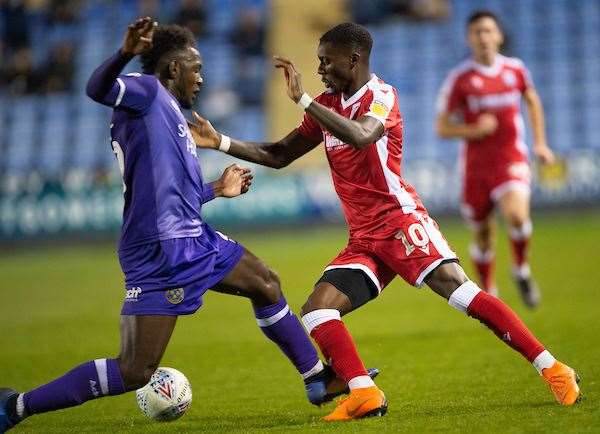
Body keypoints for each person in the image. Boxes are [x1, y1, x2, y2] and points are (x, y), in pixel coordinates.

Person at [188, 22, 581, 422]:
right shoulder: (328, 105)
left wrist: (305, 100)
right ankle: (364, 392)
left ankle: (553, 369)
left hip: (399, 222)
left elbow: (362, 135)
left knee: (463, 296)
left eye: (326, 61)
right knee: (318, 311)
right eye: (319, 62)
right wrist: (220, 142)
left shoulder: (381, 96)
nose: (320, 68)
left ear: (353, 60)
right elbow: (280, 153)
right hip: (364, 238)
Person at [0, 18, 370, 432]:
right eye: (196, 68)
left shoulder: (169, 114)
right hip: (162, 249)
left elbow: (170, 193)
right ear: (173, 68)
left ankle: (316, 379)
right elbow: (96, 89)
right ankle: (15, 407)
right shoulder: (146, 90)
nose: (202, 77)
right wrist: (124, 54)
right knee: (135, 370)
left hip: (192, 236)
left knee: (265, 281)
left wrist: (216, 189)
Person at [436, 10, 555, 307]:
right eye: (477, 32)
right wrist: (473, 129)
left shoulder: (515, 70)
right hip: (476, 167)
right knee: (483, 236)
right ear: (469, 39)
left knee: (517, 215)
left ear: (499, 36)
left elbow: (532, 99)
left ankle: (521, 270)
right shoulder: (460, 79)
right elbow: (442, 127)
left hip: (510, 157)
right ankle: (490, 292)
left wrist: (540, 143)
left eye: (489, 31)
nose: (483, 37)